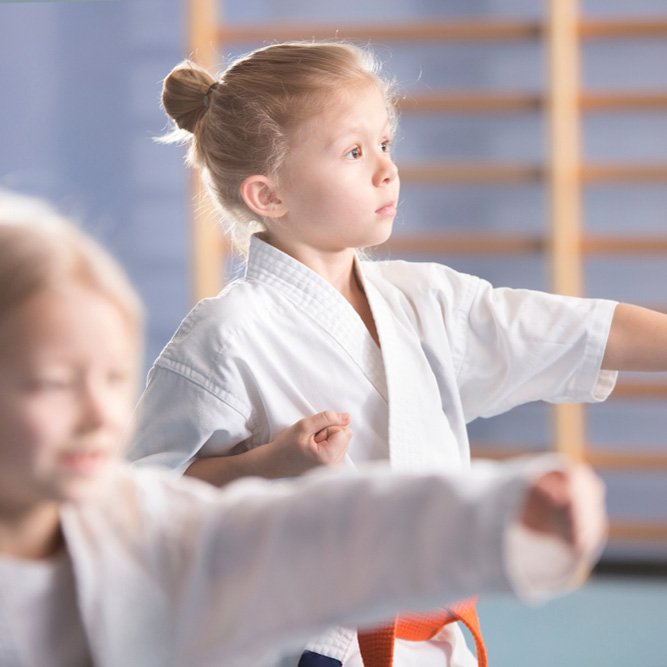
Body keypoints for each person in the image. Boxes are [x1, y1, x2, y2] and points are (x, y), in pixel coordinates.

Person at [127, 41, 667, 666]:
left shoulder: (424, 300)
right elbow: (140, 504)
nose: (386, 171)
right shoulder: (228, 331)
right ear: (267, 196)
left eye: (384, 144)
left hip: (436, 640)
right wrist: (267, 465)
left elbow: (577, 330)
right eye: (354, 153)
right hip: (306, 647)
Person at [0, 191, 610, 667]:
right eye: (54, 383)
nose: (101, 416)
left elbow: (315, 533)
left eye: (113, 379)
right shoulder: (229, 329)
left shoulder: (149, 526)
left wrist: (499, 510)